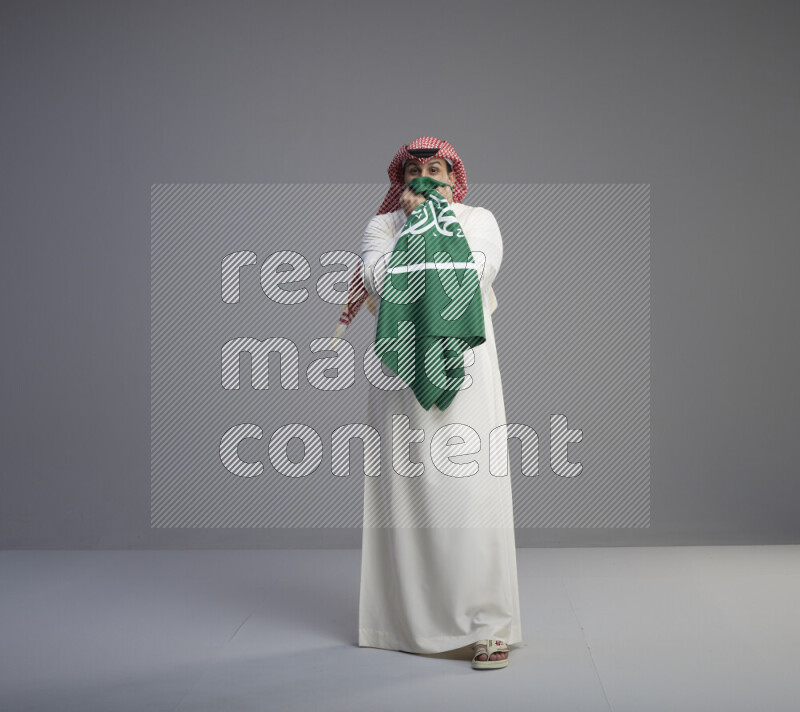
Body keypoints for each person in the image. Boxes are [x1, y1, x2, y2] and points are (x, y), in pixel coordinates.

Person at [355, 136, 523, 670]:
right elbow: (378, 279)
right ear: (400, 180)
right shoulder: (382, 227)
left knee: (472, 490)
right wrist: (414, 228)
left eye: (436, 170)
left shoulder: (479, 220)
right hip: (399, 373)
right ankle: (406, 621)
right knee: (406, 494)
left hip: (465, 370)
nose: (426, 178)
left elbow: (473, 276)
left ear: (454, 177)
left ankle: (486, 625)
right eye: (414, 171)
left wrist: (432, 224)